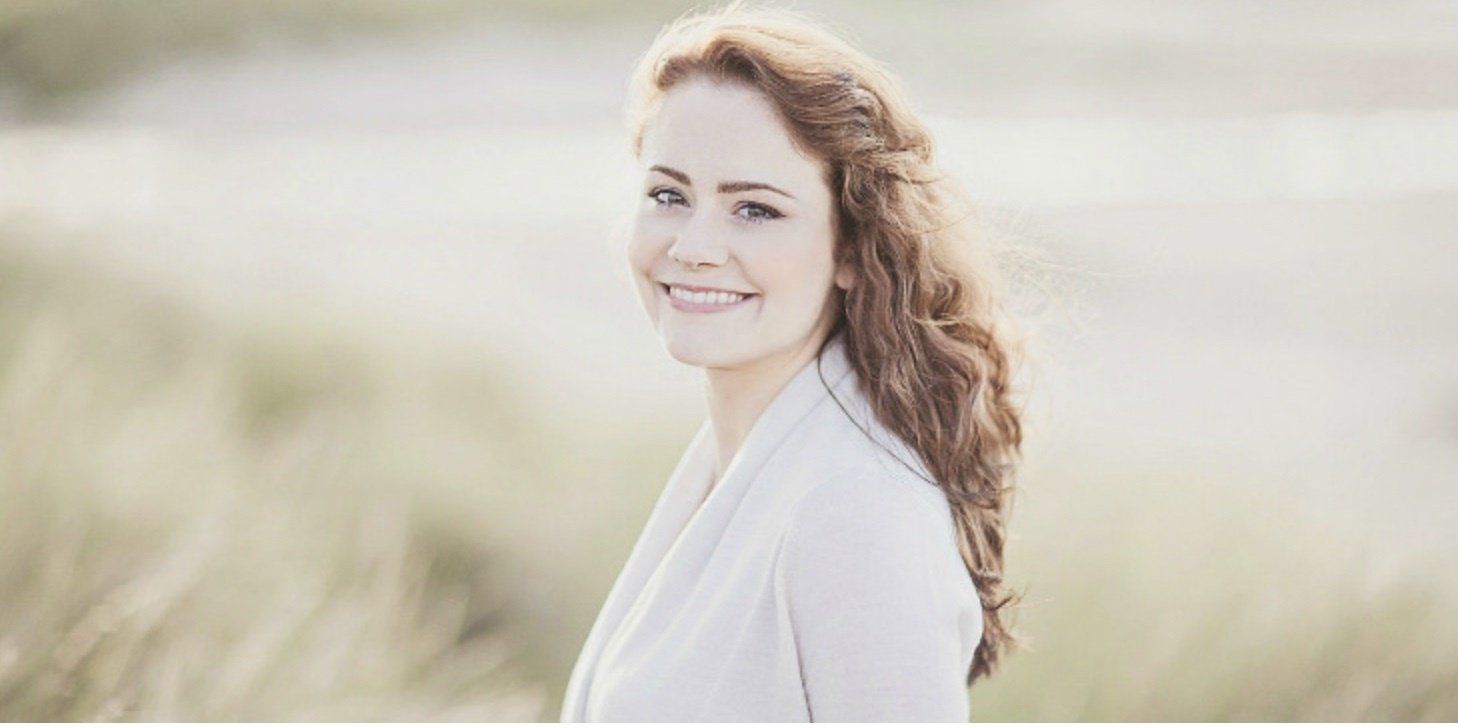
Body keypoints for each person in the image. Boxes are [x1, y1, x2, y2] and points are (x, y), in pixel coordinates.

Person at [560, 1, 1026, 721]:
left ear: (850, 246)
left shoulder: (858, 511)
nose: (694, 246)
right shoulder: (739, 458)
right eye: (668, 195)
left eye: (755, 210)